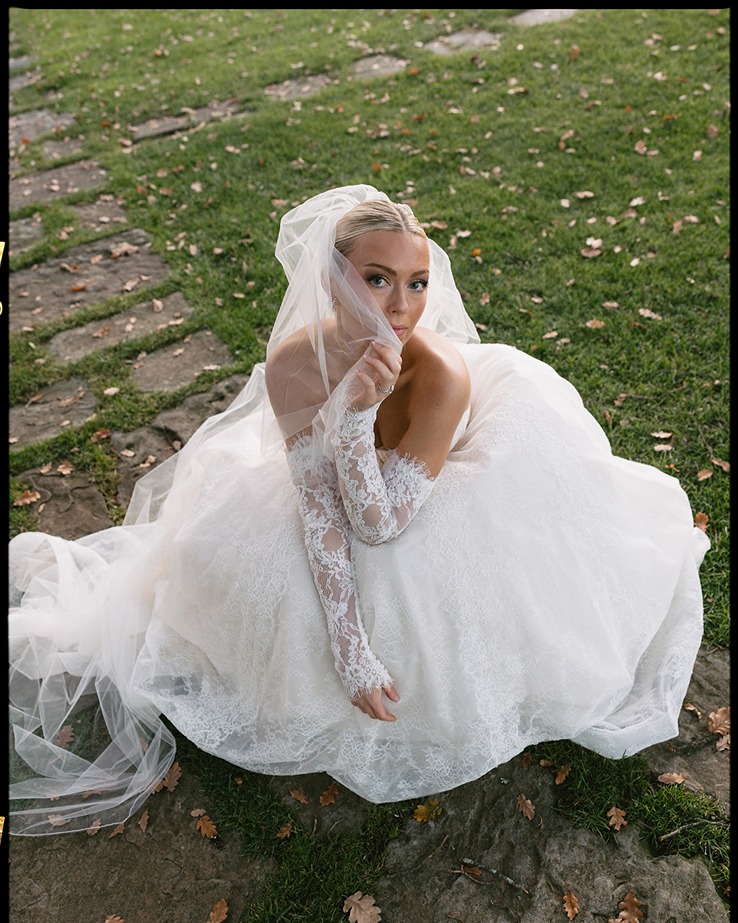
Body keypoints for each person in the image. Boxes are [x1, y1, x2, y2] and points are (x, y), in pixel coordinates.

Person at [8, 184, 710, 837]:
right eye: (378, 279)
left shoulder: (439, 373)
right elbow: (320, 508)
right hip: (358, 473)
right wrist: (347, 652)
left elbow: (378, 525)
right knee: (257, 561)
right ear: (333, 281)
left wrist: (349, 423)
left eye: (418, 282)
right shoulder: (292, 365)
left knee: (411, 574)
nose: (402, 306)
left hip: (443, 472)